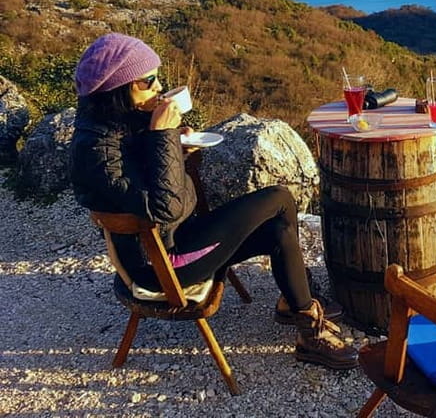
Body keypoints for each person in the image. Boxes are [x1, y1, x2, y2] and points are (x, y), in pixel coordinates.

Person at [69, 32, 357, 370]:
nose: (159, 87)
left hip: (177, 236)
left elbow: (150, 183)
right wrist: (163, 136)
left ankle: (297, 308)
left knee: (279, 231)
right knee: (279, 198)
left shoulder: (115, 123)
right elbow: (166, 207)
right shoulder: (97, 151)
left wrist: (175, 145)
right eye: (148, 81)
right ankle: (305, 315)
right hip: (162, 264)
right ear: (118, 89)